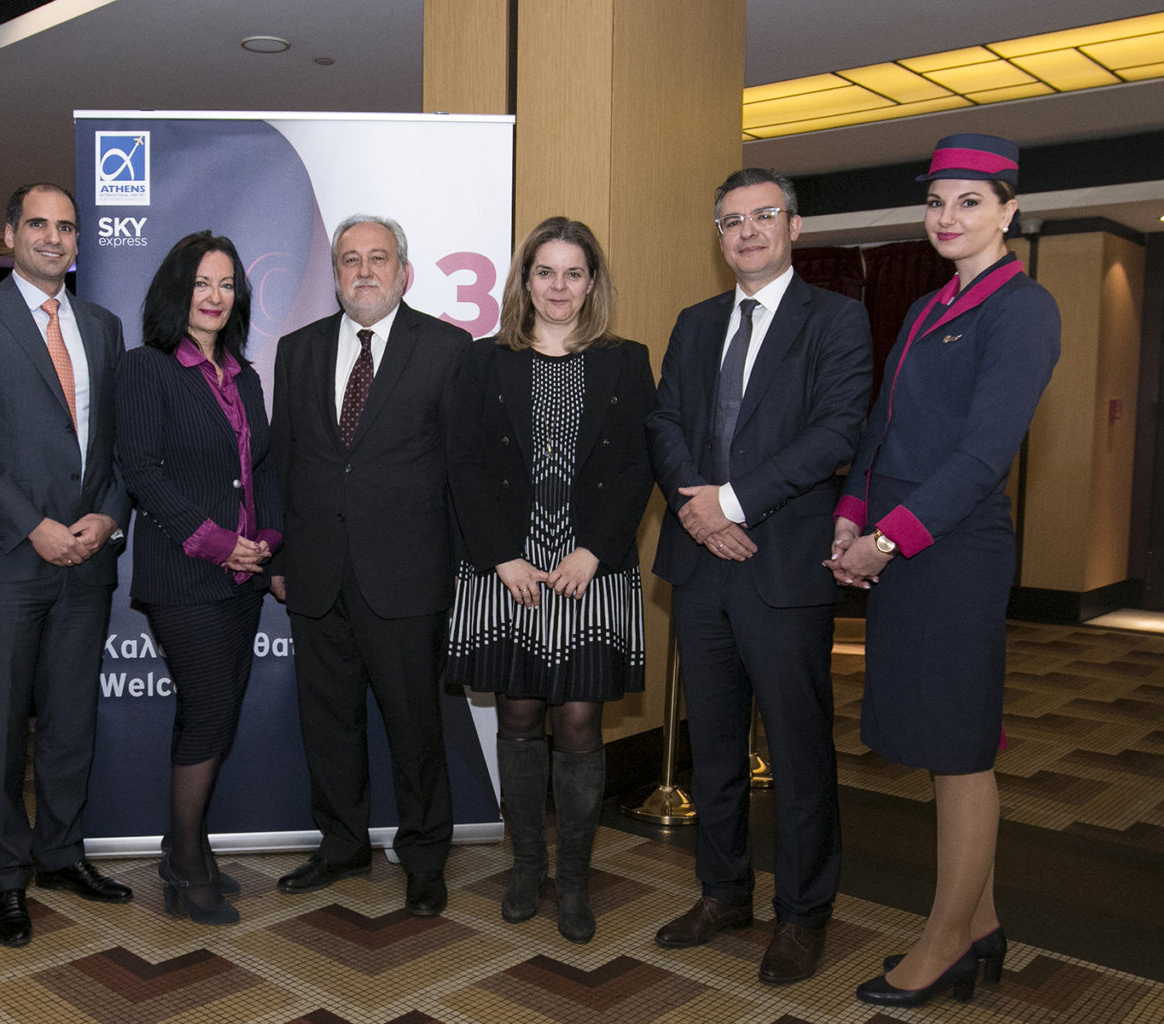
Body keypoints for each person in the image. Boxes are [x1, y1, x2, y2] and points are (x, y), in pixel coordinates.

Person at [826, 134, 1060, 1009]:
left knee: (960, 751)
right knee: (936, 744)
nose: (948, 217)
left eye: (969, 201)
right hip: (902, 545)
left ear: (1008, 211)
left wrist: (885, 540)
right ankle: (983, 920)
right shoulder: (930, 306)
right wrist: (852, 511)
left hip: (954, 552)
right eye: (936, 202)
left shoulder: (1023, 309)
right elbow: (882, 427)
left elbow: (982, 456)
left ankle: (946, 941)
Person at [647, 168, 872, 983]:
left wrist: (732, 503)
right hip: (700, 565)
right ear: (720, 236)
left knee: (799, 751)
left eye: (763, 215)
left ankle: (803, 914)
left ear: (794, 227)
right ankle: (723, 893)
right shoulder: (695, 320)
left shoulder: (836, 320)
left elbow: (836, 431)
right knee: (712, 748)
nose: (746, 231)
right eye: (731, 220)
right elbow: (665, 423)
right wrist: (699, 512)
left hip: (782, 566)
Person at [0, 183, 132, 948]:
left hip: (87, 559)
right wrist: (33, 526)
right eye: (39, 224)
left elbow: (116, 441)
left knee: (71, 725)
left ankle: (61, 855)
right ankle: (6, 878)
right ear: (9, 232)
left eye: (67, 227)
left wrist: (108, 515)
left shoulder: (103, 326)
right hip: (7, 560)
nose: (54, 238)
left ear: (79, 241)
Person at [446, 217, 653, 943]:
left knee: (578, 721)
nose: (558, 287)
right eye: (545, 272)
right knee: (519, 716)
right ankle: (526, 867)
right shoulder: (483, 360)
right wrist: (500, 555)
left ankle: (574, 880)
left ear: (591, 282)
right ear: (524, 281)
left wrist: (595, 549)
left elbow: (640, 465)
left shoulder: (627, 361)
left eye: (573, 273)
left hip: (588, 568)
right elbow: (463, 462)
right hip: (510, 568)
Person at [270, 214, 469, 917]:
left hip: (408, 578)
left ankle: (425, 856)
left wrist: (463, 570)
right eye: (349, 259)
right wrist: (279, 555)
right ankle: (342, 844)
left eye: (377, 258)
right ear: (334, 273)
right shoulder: (297, 350)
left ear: (403, 272)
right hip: (316, 572)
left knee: (416, 728)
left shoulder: (446, 349)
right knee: (328, 722)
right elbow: (284, 461)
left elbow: (462, 471)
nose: (363, 271)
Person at [115, 231, 280, 925]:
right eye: (201, 283)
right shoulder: (146, 368)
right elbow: (141, 471)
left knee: (212, 712)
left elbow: (263, 467)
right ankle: (184, 861)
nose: (214, 297)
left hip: (243, 580)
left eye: (226, 284)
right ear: (175, 291)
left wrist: (267, 540)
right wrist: (218, 543)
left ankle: (189, 845)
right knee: (210, 709)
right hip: (183, 574)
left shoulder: (245, 375)